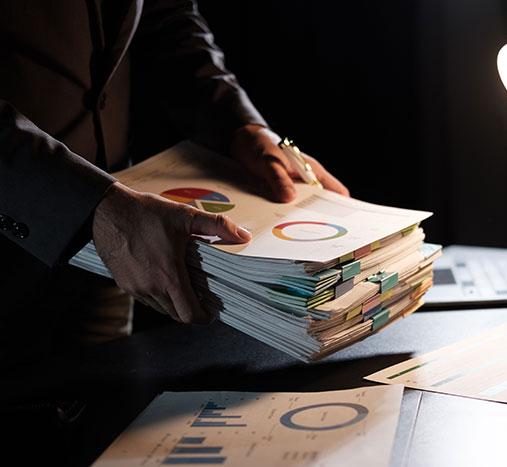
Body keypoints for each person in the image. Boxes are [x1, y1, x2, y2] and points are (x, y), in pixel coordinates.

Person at [0, 0, 348, 367]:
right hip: (26, 247)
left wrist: (239, 126)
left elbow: (166, 17)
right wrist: (92, 204)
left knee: (105, 414)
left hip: (114, 258)